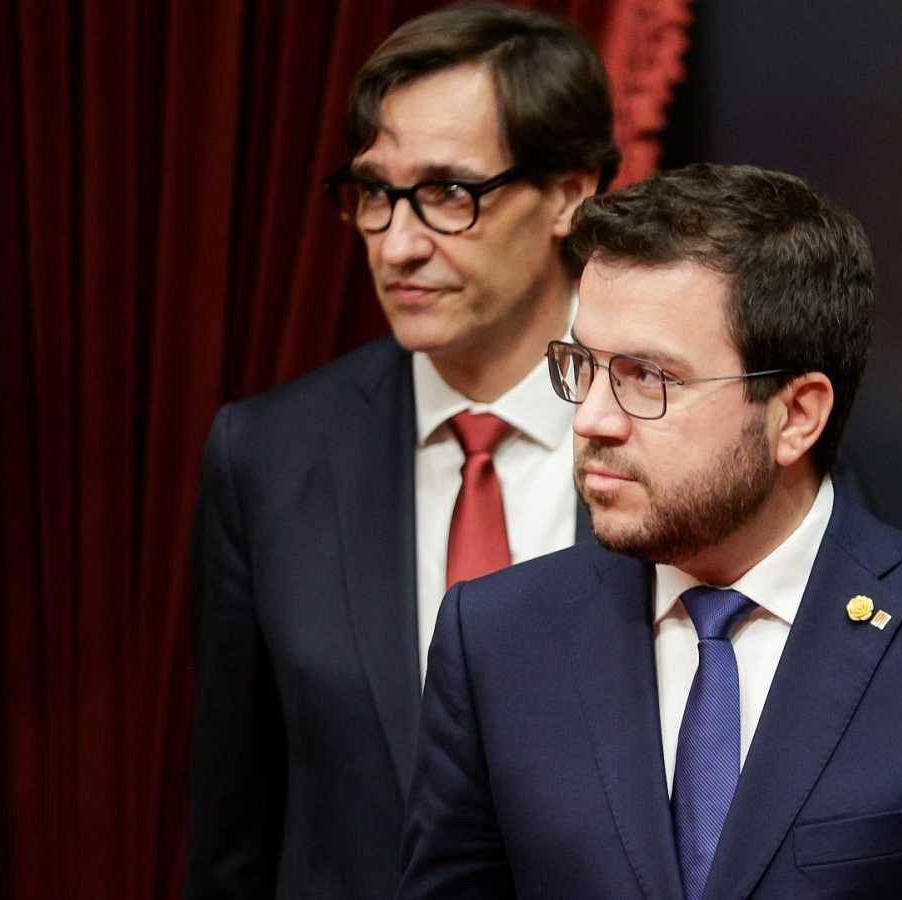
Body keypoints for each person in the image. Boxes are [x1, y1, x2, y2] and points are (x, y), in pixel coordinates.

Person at [398, 163, 902, 899]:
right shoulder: (497, 640)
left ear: (798, 415)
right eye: (582, 366)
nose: (591, 418)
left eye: (646, 377)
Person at [184, 4, 619, 898]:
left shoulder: (679, 426)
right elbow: (235, 819)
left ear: (571, 194)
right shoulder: (267, 455)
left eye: (450, 193)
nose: (398, 243)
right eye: (375, 194)